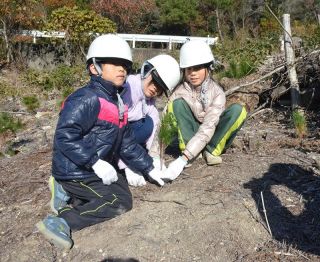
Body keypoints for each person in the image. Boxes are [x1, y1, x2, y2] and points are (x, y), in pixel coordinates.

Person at [36, 34, 167, 250]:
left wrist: (149, 167)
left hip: (90, 168)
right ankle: (61, 220)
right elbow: (64, 136)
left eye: (125, 65)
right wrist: (94, 162)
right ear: (94, 68)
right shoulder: (87, 98)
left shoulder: (116, 102)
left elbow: (126, 142)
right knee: (120, 202)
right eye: (114, 63)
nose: (122, 69)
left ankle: (68, 194)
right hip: (75, 169)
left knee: (121, 189)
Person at [163, 40, 247, 181]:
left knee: (238, 110)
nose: (193, 73)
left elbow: (209, 125)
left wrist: (182, 160)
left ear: (208, 68)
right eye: (189, 69)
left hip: (210, 132)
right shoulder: (178, 91)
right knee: (176, 105)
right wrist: (153, 155)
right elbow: (163, 121)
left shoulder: (217, 92)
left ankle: (211, 151)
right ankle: (191, 152)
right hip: (190, 135)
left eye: (197, 68)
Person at [120, 54, 181, 187]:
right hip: (111, 137)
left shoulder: (148, 103)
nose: (155, 89)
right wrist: (126, 165)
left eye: (160, 88)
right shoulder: (127, 89)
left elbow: (155, 126)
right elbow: (115, 130)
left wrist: (155, 157)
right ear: (146, 71)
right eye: (154, 82)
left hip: (128, 142)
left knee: (149, 122)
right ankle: (122, 163)